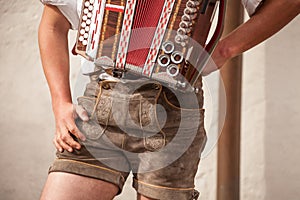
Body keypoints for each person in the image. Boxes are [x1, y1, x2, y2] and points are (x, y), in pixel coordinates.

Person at [38, 0, 299, 199]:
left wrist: (225, 49)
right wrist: (60, 102)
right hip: (99, 103)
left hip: (173, 111)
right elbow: (52, 24)